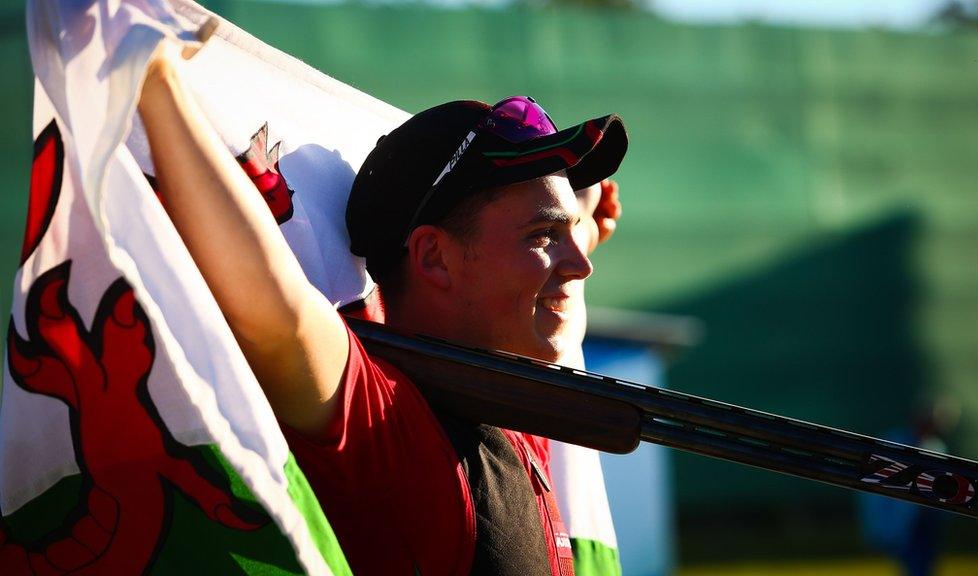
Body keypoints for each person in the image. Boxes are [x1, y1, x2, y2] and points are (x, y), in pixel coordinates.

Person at [138, 39, 627, 576]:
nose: (581, 265)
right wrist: (154, 77)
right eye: (544, 235)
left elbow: (562, 312)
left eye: (571, 235)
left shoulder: (516, 387)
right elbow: (274, 315)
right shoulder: (392, 430)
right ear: (434, 257)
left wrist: (576, 216)